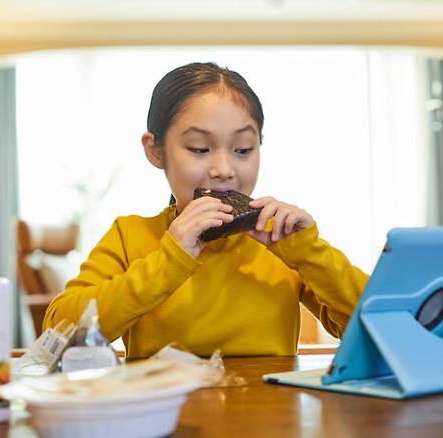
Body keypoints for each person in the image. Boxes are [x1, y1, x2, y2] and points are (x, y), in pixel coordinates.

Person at [43, 62, 369, 358]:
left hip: (269, 417)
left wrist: (310, 252)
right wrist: (170, 260)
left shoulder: (282, 243)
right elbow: (57, 335)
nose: (224, 169)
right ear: (156, 151)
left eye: (243, 149)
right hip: (164, 416)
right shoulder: (131, 235)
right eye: (200, 148)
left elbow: (377, 330)